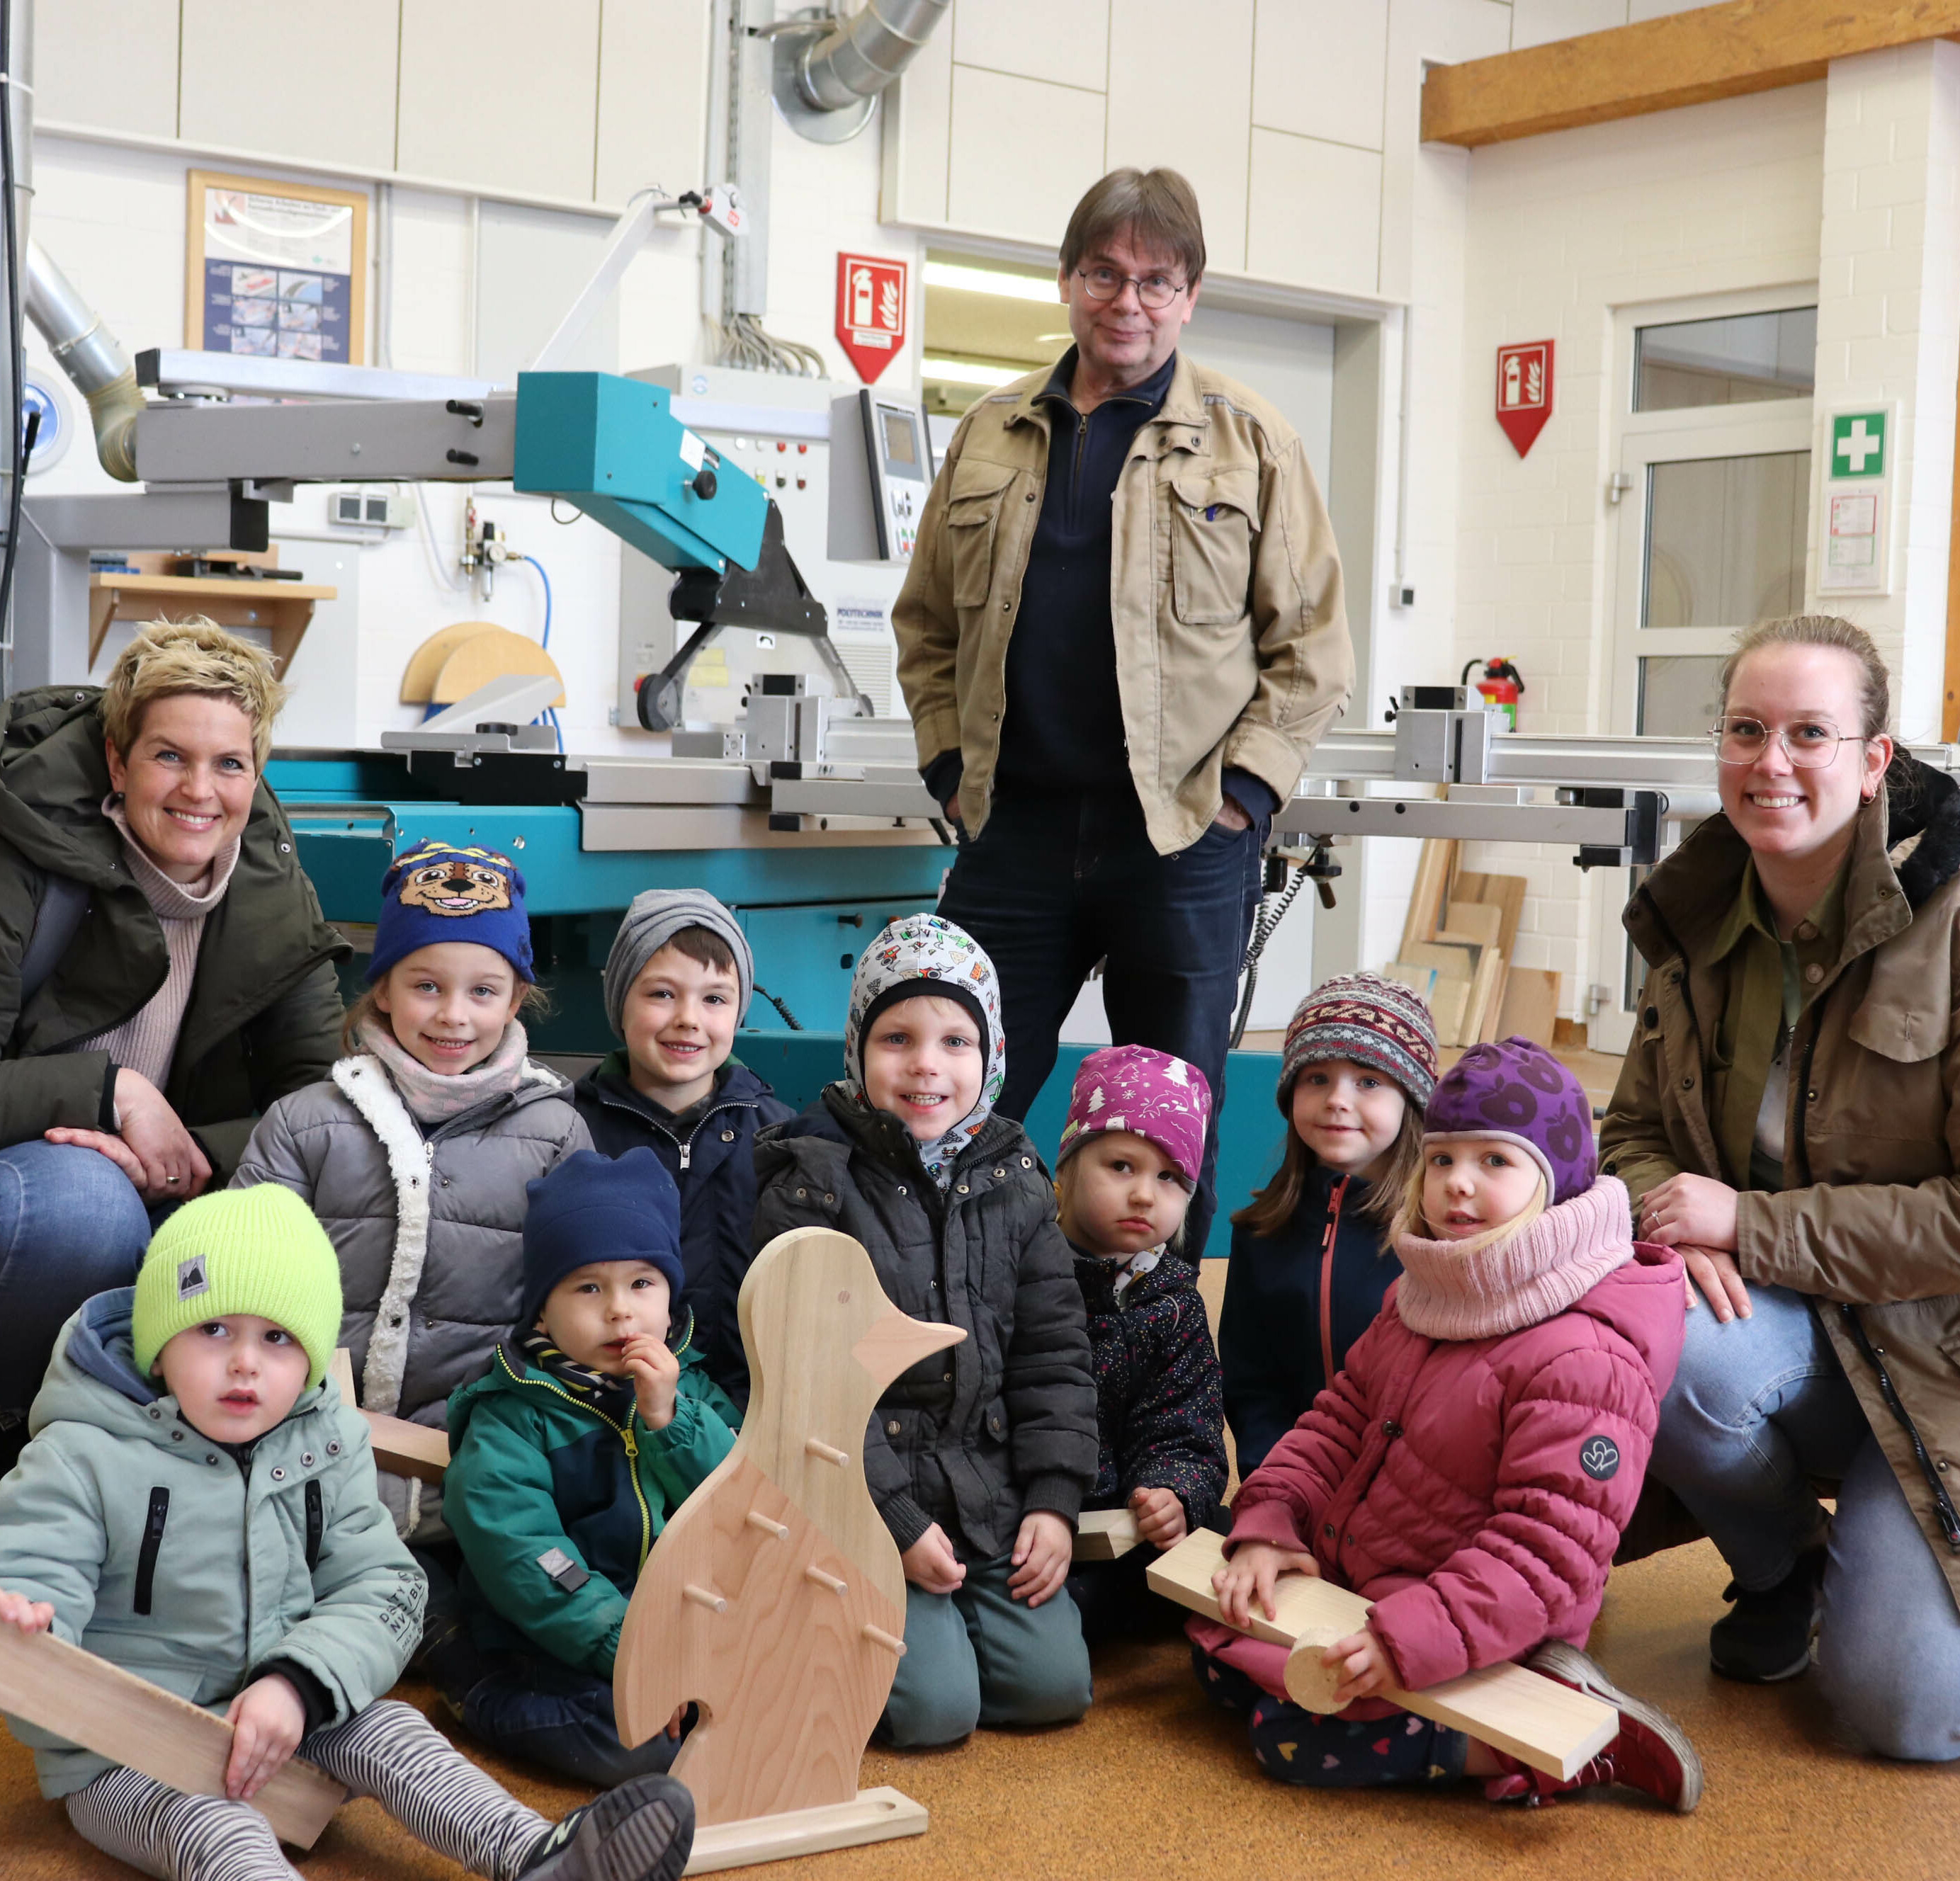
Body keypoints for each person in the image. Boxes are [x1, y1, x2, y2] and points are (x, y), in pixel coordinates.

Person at [1600, 613, 1960, 1760]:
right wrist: (1676, 1218)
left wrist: (1750, 1224)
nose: (1770, 762)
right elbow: (1630, 1132)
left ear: (1873, 761)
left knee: (1910, 1713)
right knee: (1649, 1329)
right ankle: (1785, 1570)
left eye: (1808, 733)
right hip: (1813, 1327)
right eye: (1744, 730)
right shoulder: (1699, 925)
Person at [0, 619, 352, 1580]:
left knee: (297, 1196)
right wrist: (112, 1091)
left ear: (256, 773)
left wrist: (187, 1155)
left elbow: (318, 1107)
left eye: (228, 763)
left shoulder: (270, 890)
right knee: (80, 1207)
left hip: (168, 1177)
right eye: (169, 756)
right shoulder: (17, 868)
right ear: (118, 760)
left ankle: (173, 1482)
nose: (199, 790)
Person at [0, 1184, 696, 1881]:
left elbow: (384, 1585)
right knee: (222, 1830)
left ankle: (534, 1855)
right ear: (158, 1342)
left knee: (395, 1731)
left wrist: (298, 1683)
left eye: (277, 1337)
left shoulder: (328, 1440)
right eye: (212, 1329)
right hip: (129, 1754)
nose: (245, 1363)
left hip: (287, 1715)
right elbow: (30, 1562)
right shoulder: (82, 1453)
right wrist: (16, 1616)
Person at [892, 165, 1354, 1258]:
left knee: (1170, 1120)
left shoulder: (1252, 442)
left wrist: (1241, 798)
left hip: (1180, 839)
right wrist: (949, 767)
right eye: (1103, 273)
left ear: (1189, 296)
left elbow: (1310, 648)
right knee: (952, 1099)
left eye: (1155, 281)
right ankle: (951, 1319)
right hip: (1013, 835)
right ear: (1066, 280)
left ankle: (1156, 1345)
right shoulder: (989, 432)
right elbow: (925, 624)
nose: (1127, 301)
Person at [1195, 1038, 1699, 1809]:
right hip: (1376, 1577)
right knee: (1218, 1661)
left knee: (1288, 1736)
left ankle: (1567, 1743)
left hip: (1488, 1620)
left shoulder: (1586, 1357)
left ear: (1557, 1183)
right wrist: (1270, 1522)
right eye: (1441, 1159)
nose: (1458, 1182)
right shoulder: (1426, 1293)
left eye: (1494, 1160)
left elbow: (1544, 1553)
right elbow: (1337, 1423)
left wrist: (1407, 1640)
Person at [752, 913, 1097, 1746]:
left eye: (955, 1041)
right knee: (936, 1711)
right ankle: (812, 1615)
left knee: (1053, 1688)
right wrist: (897, 1522)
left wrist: (1053, 1500)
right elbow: (806, 1384)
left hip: (986, 1496)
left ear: (992, 1055)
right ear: (858, 1050)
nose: (926, 1065)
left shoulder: (1017, 1179)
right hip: (862, 1499)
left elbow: (1054, 1357)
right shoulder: (811, 1186)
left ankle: (951, 1629)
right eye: (897, 1038)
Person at [231, 840, 589, 1542]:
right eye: (426, 986)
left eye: (483, 991)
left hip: (484, 1480)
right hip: (302, 1463)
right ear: (383, 989)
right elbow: (240, 1282)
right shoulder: (305, 1123)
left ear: (516, 999)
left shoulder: (556, 1134)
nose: (454, 1014)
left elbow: (574, 1311)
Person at [434, 1149, 742, 1788]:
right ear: (540, 1311)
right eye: (588, 1288)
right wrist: (632, 1649)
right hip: (557, 1638)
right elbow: (527, 1553)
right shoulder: (510, 1416)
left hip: (681, 1632)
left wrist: (671, 1421)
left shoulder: (695, 1392)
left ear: (670, 1297)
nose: (619, 1311)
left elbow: (743, 1505)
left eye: (641, 1284)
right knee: (637, 1746)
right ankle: (478, 1696)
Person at [570, 890, 793, 1401]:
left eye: (714, 999)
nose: (689, 1018)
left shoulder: (781, 1139)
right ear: (619, 1002)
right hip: (606, 1405)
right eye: (662, 994)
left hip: (749, 1407)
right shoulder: (568, 1131)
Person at [1220, 974, 1437, 1474]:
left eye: (1368, 1081)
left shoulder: (1436, 1234)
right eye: (1316, 1078)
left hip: (1408, 1490)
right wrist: (1274, 1478)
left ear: (1411, 1100)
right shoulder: (1260, 1232)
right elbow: (1252, 1385)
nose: (1337, 1099)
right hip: (1295, 1483)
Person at [1050, 1045, 1227, 1643]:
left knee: (1222, 1540)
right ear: (1067, 1169)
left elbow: (1186, 1422)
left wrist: (1171, 1491)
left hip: (1122, 1528)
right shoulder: (1018, 1277)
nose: (1145, 1195)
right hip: (1027, 1520)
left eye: (1169, 1177)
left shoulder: (1174, 1301)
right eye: (1121, 1166)